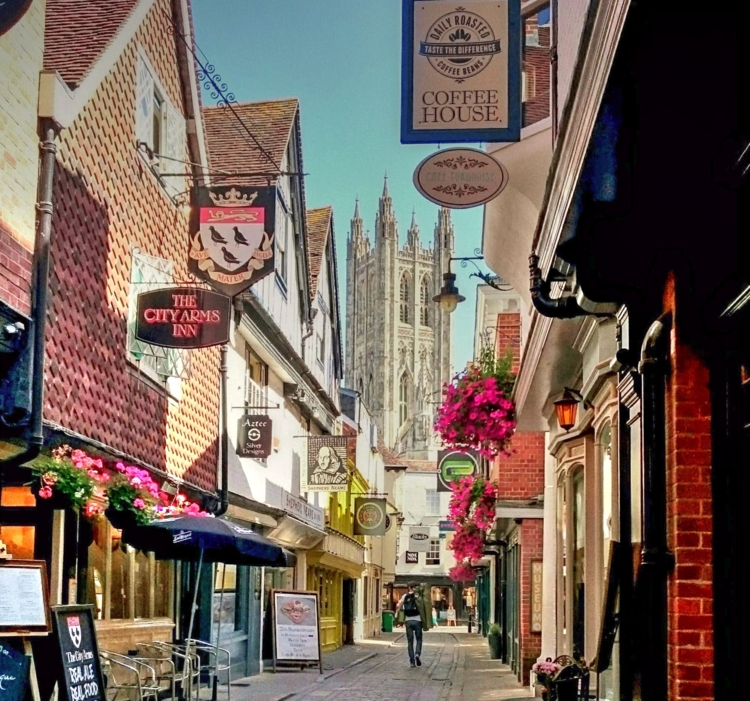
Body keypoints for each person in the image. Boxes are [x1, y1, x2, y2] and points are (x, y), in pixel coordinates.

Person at [396, 581, 431, 667]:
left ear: (409, 587)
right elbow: (425, 607)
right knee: (419, 639)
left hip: (408, 621)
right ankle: (417, 654)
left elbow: (399, 605)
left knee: (410, 641)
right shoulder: (419, 596)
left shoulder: (405, 596)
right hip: (418, 621)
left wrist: (397, 613)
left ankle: (412, 661)